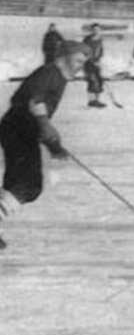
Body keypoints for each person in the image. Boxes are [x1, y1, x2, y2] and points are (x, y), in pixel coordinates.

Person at [0, 40, 90, 249]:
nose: (80, 65)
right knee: (27, 184)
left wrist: (52, 144)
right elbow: (34, 101)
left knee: (22, 183)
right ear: (66, 56)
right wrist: (44, 126)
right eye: (78, 59)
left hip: (22, 129)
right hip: (19, 128)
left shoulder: (57, 75)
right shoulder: (50, 72)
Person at [83, 23, 106, 108]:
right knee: (92, 81)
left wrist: (99, 61)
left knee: (100, 81)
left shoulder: (100, 39)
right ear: (92, 30)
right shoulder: (87, 39)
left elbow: (101, 51)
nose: (96, 31)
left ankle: (97, 100)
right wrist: (91, 60)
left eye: (98, 29)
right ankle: (91, 101)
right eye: (95, 29)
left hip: (97, 62)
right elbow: (85, 52)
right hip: (88, 63)